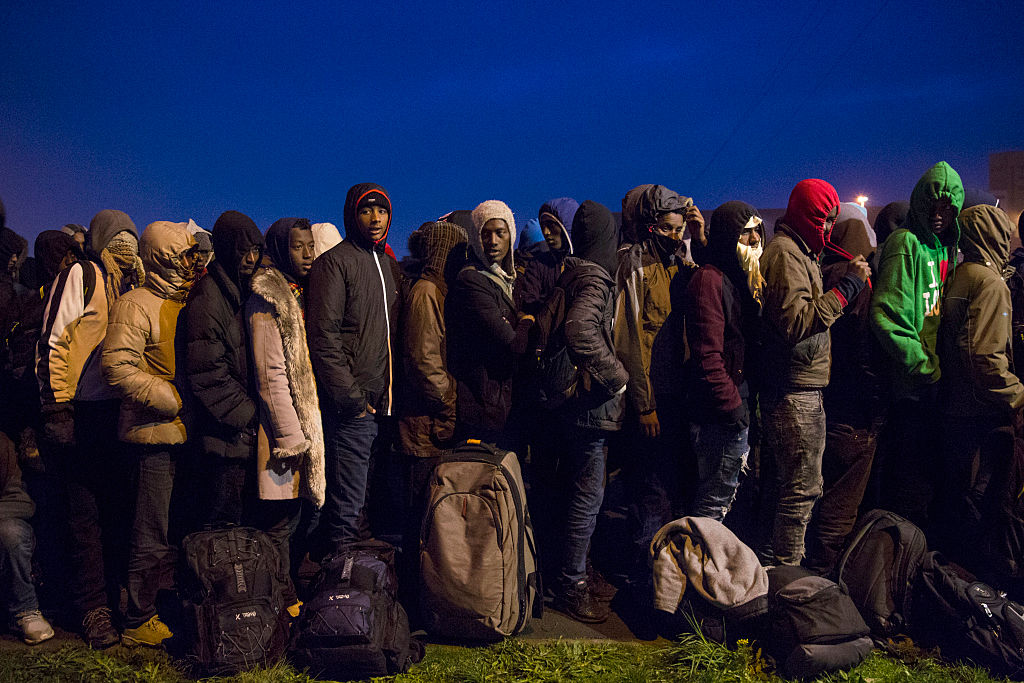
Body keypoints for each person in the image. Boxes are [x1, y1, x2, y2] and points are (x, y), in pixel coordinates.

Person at [35, 209, 143, 648]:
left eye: (131, 238)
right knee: (84, 518)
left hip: (120, 414)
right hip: (82, 410)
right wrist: (56, 406)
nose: (126, 246)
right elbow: (53, 338)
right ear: (99, 240)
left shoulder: (133, 284)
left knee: (119, 513)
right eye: (117, 238)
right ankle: (92, 608)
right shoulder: (84, 275)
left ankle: (117, 599)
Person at [760, 179, 869, 566]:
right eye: (823, 220)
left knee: (794, 486)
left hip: (802, 386)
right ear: (806, 215)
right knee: (801, 489)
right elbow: (796, 322)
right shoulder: (785, 254)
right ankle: (785, 576)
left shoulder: (801, 252)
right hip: (794, 391)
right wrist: (849, 287)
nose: (827, 229)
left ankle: (775, 571)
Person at [102, 221, 197, 647]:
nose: (192, 261)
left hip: (183, 435)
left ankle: (166, 605)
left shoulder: (186, 299)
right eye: (184, 254)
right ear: (163, 255)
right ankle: (138, 618)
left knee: (174, 530)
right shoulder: (136, 303)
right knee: (149, 532)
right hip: (152, 435)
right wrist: (171, 399)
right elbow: (117, 365)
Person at [535, 200, 628, 623]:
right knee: (586, 500)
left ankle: (572, 574)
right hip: (591, 408)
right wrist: (617, 377)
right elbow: (579, 329)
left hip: (571, 407)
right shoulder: (595, 277)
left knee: (575, 495)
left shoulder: (572, 271)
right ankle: (572, 584)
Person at [613, 184, 705, 567]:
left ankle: (668, 575)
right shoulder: (635, 264)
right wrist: (644, 403)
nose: (675, 236)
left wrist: (699, 238)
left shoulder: (679, 263)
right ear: (650, 224)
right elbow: (629, 338)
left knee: (671, 488)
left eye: (679, 228)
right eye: (667, 228)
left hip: (676, 398)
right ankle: (646, 580)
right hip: (650, 400)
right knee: (650, 493)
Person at [306, 183, 400, 549]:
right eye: (366, 211)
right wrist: (352, 401)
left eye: (382, 211)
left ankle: (359, 591)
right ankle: (337, 591)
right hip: (354, 410)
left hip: (385, 406)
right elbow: (324, 338)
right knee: (345, 510)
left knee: (364, 508)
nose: (375, 218)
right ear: (352, 215)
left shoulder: (389, 265)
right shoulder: (334, 263)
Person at [870, 161, 963, 526]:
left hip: (933, 387)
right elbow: (887, 317)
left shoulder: (943, 250)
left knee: (926, 489)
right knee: (907, 490)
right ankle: (896, 572)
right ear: (918, 203)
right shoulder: (905, 244)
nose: (939, 215)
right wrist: (925, 368)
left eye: (948, 208)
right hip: (912, 389)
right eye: (932, 206)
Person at [247, 217, 325, 608]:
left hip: (306, 421)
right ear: (279, 248)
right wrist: (291, 438)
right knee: (281, 521)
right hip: (281, 430)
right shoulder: (268, 294)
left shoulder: (301, 290)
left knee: (301, 515)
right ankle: (278, 601)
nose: (309, 254)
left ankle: (287, 594)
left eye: (311, 245)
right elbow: (270, 372)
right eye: (299, 247)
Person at [803, 207, 885, 574]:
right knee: (840, 505)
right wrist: (876, 400)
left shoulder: (819, 273)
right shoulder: (857, 282)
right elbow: (863, 348)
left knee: (814, 496)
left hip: (823, 401)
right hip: (854, 410)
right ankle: (824, 583)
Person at [937, 205, 1023, 548]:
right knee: (979, 509)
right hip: (980, 416)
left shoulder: (958, 274)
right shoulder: (990, 283)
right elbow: (984, 357)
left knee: (955, 507)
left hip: (951, 408)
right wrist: (1017, 395)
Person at [395, 220, 467, 601]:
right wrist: (451, 399)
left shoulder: (439, 290)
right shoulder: (426, 292)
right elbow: (424, 361)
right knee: (420, 514)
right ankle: (414, 599)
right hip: (423, 422)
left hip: (429, 421)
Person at [682, 201, 764, 522]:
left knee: (730, 503)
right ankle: (697, 569)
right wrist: (734, 408)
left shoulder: (742, 276)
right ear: (730, 236)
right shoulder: (709, 281)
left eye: (758, 230)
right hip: (719, 414)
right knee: (714, 506)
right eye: (745, 233)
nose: (755, 239)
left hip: (735, 407)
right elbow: (708, 356)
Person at [182, 210, 263, 525]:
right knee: (221, 529)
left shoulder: (242, 292)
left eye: (256, 251)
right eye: (244, 251)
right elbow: (208, 372)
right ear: (228, 248)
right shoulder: (210, 296)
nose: (250, 259)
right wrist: (249, 416)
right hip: (224, 436)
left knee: (239, 526)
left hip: (239, 435)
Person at [447, 200, 533, 448]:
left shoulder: (511, 278)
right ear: (476, 237)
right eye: (486, 234)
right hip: (484, 404)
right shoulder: (472, 281)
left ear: (511, 236)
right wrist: (526, 320)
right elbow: (514, 343)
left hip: (506, 403)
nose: (493, 241)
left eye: (500, 233)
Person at [0, 432, 54, 644]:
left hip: (7, 521)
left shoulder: (3, 445)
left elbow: (21, 502)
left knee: (11, 534)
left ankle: (26, 610)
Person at [514, 197, 579, 314]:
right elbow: (529, 301)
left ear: (567, 226)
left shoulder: (583, 264)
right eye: (543, 226)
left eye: (551, 225)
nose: (546, 232)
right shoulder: (538, 265)